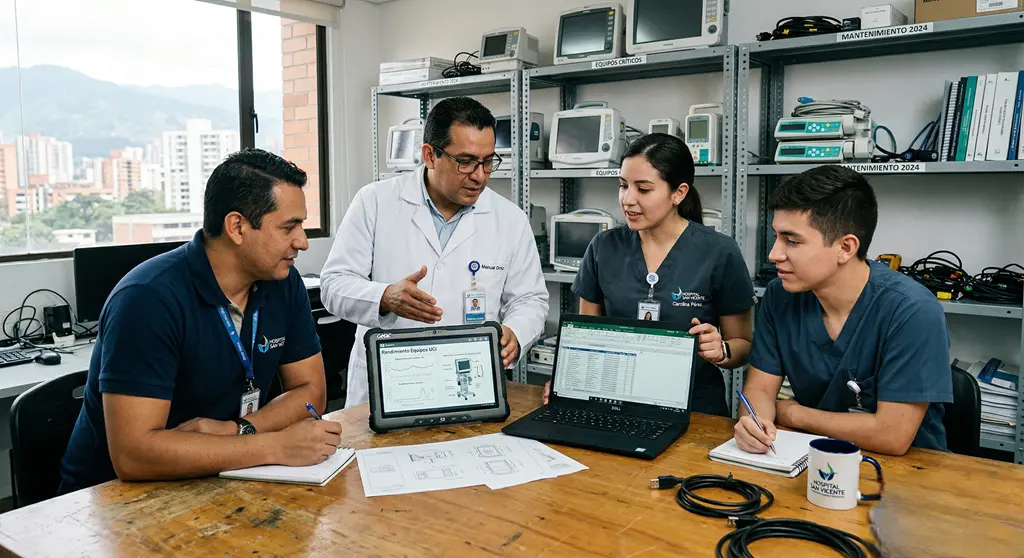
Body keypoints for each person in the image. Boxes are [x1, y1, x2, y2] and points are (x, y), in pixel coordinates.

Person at [59, 149, 342, 494]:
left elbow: (311, 393)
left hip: (222, 477)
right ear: (237, 227)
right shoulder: (147, 298)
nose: (303, 241)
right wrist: (276, 446)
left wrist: (241, 429)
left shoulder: (283, 282)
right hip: (116, 500)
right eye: (289, 227)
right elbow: (134, 455)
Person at [321, 97, 548, 408]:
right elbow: (334, 284)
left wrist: (515, 332)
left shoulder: (509, 219)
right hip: (390, 380)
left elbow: (530, 299)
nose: (479, 175)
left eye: (487, 161)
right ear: (429, 155)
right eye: (466, 161)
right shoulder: (375, 202)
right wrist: (385, 297)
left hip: (471, 382)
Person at [736, 165, 952, 456]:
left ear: (846, 247)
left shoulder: (912, 311)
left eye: (792, 240)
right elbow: (759, 390)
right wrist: (756, 423)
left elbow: (892, 436)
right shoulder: (780, 295)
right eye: (776, 236)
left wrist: (793, 414)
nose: (774, 254)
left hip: (904, 475)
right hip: (808, 457)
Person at [545, 134, 755, 416]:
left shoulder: (718, 251)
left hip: (695, 410)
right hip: (613, 405)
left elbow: (743, 345)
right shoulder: (604, 247)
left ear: (678, 193)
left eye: (643, 189)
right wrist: (566, 381)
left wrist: (722, 351)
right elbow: (585, 336)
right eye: (623, 186)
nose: (627, 200)